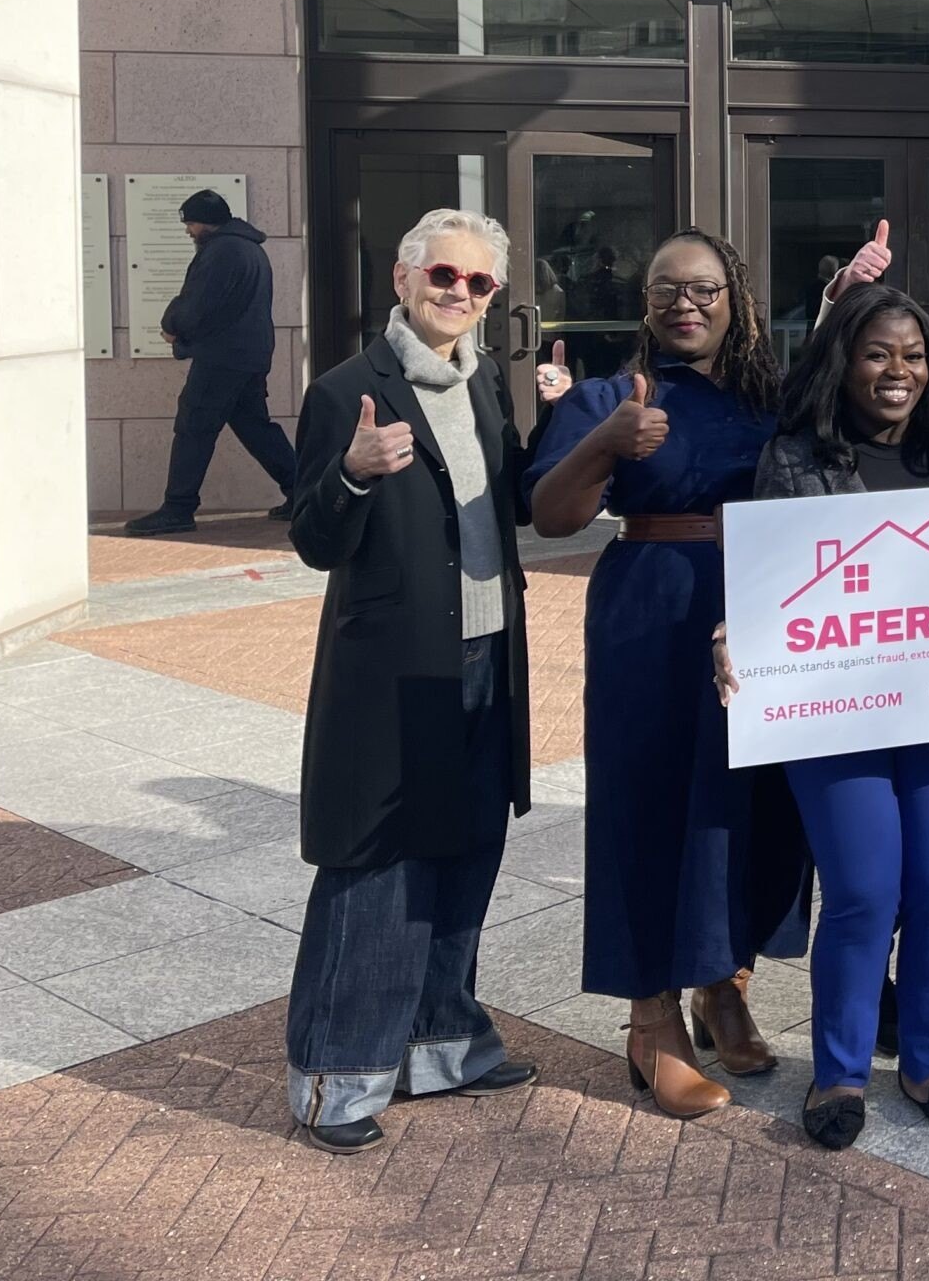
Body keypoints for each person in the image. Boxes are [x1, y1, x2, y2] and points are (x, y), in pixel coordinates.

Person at [526, 229, 809, 1121]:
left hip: (761, 608)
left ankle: (723, 981)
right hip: (650, 613)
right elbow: (553, 512)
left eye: (705, 291)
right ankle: (652, 1021)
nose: (686, 305)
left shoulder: (769, 394)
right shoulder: (612, 395)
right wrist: (606, 442)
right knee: (647, 807)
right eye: (666, 291)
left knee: (753, 801)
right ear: (644, 302)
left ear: (737, 301)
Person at [717, 283, 929, 1153]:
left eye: (914, 356)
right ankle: (838, 1071)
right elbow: (769, 579)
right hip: (834, 709)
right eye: (878, 353)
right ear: (844, 361)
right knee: (865, 890)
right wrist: (736, 629)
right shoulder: (795, 457)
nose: (899, 372)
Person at [282, 209, 537, 1153]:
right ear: (402, 279)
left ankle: (441, 1042)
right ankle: (334, 1079)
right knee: (377, 865)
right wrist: (349, 474)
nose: (457, 295)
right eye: (442, 276)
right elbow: (314, 541)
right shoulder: (348, 390)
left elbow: (508, 506)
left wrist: (562, 422)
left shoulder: (484, 388)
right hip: (393, 671)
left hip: (485, 658)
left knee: (468, 847)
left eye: (477, 285)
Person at [126, 189, 296, 534]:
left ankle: (178, 507)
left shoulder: (222, 252)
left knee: (193, 428)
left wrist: (173, 327)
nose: (189, 230)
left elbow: (199, 304)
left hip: (222, 358)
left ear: (205, 222)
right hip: (249, 355)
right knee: (255, 428)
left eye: (190, 222)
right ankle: (303, 492)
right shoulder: (249, 249)